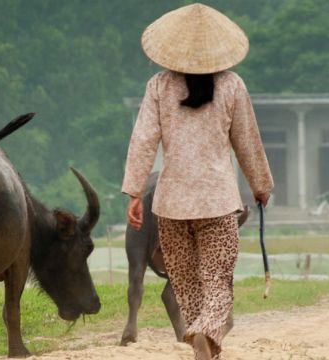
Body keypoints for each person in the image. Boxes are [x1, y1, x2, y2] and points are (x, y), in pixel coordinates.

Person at [122, 4, 273, 359]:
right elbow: (247, 141)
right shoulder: (232, 85)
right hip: (218, 202)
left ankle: (201, 344)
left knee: (186, 283)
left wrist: (133, 192)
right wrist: (260, 185)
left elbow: (143, 139)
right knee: (217, 282)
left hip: (170, 203)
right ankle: (207, 334)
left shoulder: (159, 85)